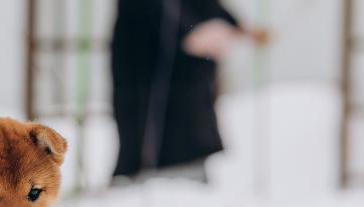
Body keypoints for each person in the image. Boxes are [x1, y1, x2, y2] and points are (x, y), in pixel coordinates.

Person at [110, 0, 269, 184]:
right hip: (151, 80)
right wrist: (191, 32)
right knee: (157, 145)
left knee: (189, 144)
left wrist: (237, 27)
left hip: (190, 99)